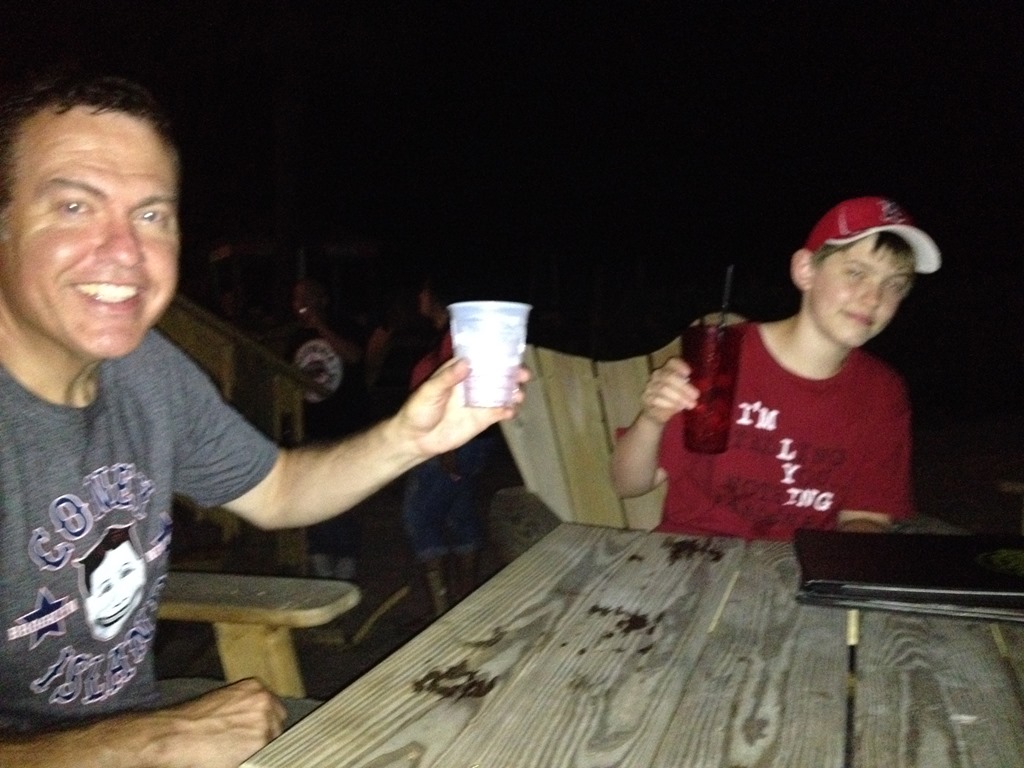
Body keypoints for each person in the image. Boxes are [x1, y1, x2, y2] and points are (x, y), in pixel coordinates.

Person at [0, 71, 527, 767]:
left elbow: (276, 490)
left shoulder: (147, 370)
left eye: (152, 215)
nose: (124, 251)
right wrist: (145, 744)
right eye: (74, 206)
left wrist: (409, 438)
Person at [611, 197, 941, 540]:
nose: (873, 298)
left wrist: (848, 560)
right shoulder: (719, 359)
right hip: (693, 552)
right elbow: (627, 484)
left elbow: (866, 517)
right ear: (805, 270)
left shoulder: (882, 393)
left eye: (894, 284)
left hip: (801, 562)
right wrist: (651, 419)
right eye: (856, 273)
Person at [401, 278, 496, 617]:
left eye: (424, 291)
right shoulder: (449, 334)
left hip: (454, 440)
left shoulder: (455, 336)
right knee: (459, 511)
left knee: (419, 515)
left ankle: (442, 608)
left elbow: (455, 388)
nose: (419, 297)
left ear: (436, 298)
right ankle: (463, 605)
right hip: (468, 441)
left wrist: (448, 448)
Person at [288, 276, 370, 580]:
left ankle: (346, 558)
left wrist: (320, 325)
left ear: (322, 299)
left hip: (344, 425)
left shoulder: (344, 327)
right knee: (314, 494)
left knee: (343, 493)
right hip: (311, 427)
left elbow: (354, 356)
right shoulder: (294, 338)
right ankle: (320, 557)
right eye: (297, 299)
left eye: (307, 297)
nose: (301, 304)